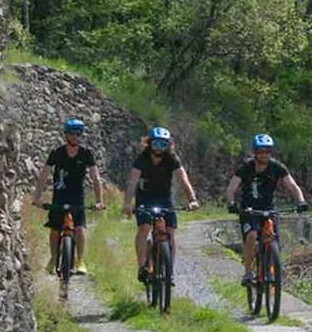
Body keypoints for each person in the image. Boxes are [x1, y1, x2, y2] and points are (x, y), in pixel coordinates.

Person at [224, 133, 308, 287]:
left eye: (267, 151)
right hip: (249, 209)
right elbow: (231, 187)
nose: (264, 154)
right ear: (255, 152)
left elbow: (292, 186)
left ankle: (270, 267)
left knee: (273, 237)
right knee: (251, 234)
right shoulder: (246, 167)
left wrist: (301, 201)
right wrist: (231, 203)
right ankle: (248, 271)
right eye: (260, 151)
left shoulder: (277, 167)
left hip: (269, 208)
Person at [123, 126, 200, 282]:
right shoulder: (142, 159)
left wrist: (192, 200)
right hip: (145, 196)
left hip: (165, 197)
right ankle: (142, 267)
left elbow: (183, 179)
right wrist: (127, 203)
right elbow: (132, 182)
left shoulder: (172, 158)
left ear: (168, 145)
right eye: (156, 144)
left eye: (163, 144)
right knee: (144, 227)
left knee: (170, 231)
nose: (159, 148)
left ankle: (170, 272)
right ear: (150, 143)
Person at [34, 118, 104, 275]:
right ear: (66, 135)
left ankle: (80, 261)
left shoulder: (86, 154)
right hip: (60, 195)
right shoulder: (57, 153)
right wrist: (37, 198)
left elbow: (95, 178)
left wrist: (99, 201)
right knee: (54, 229)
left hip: (77, 196)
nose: (75, 137)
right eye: (72, 133)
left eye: (78, 134)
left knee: (79, 228)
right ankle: (53, 259)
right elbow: (44, 175)